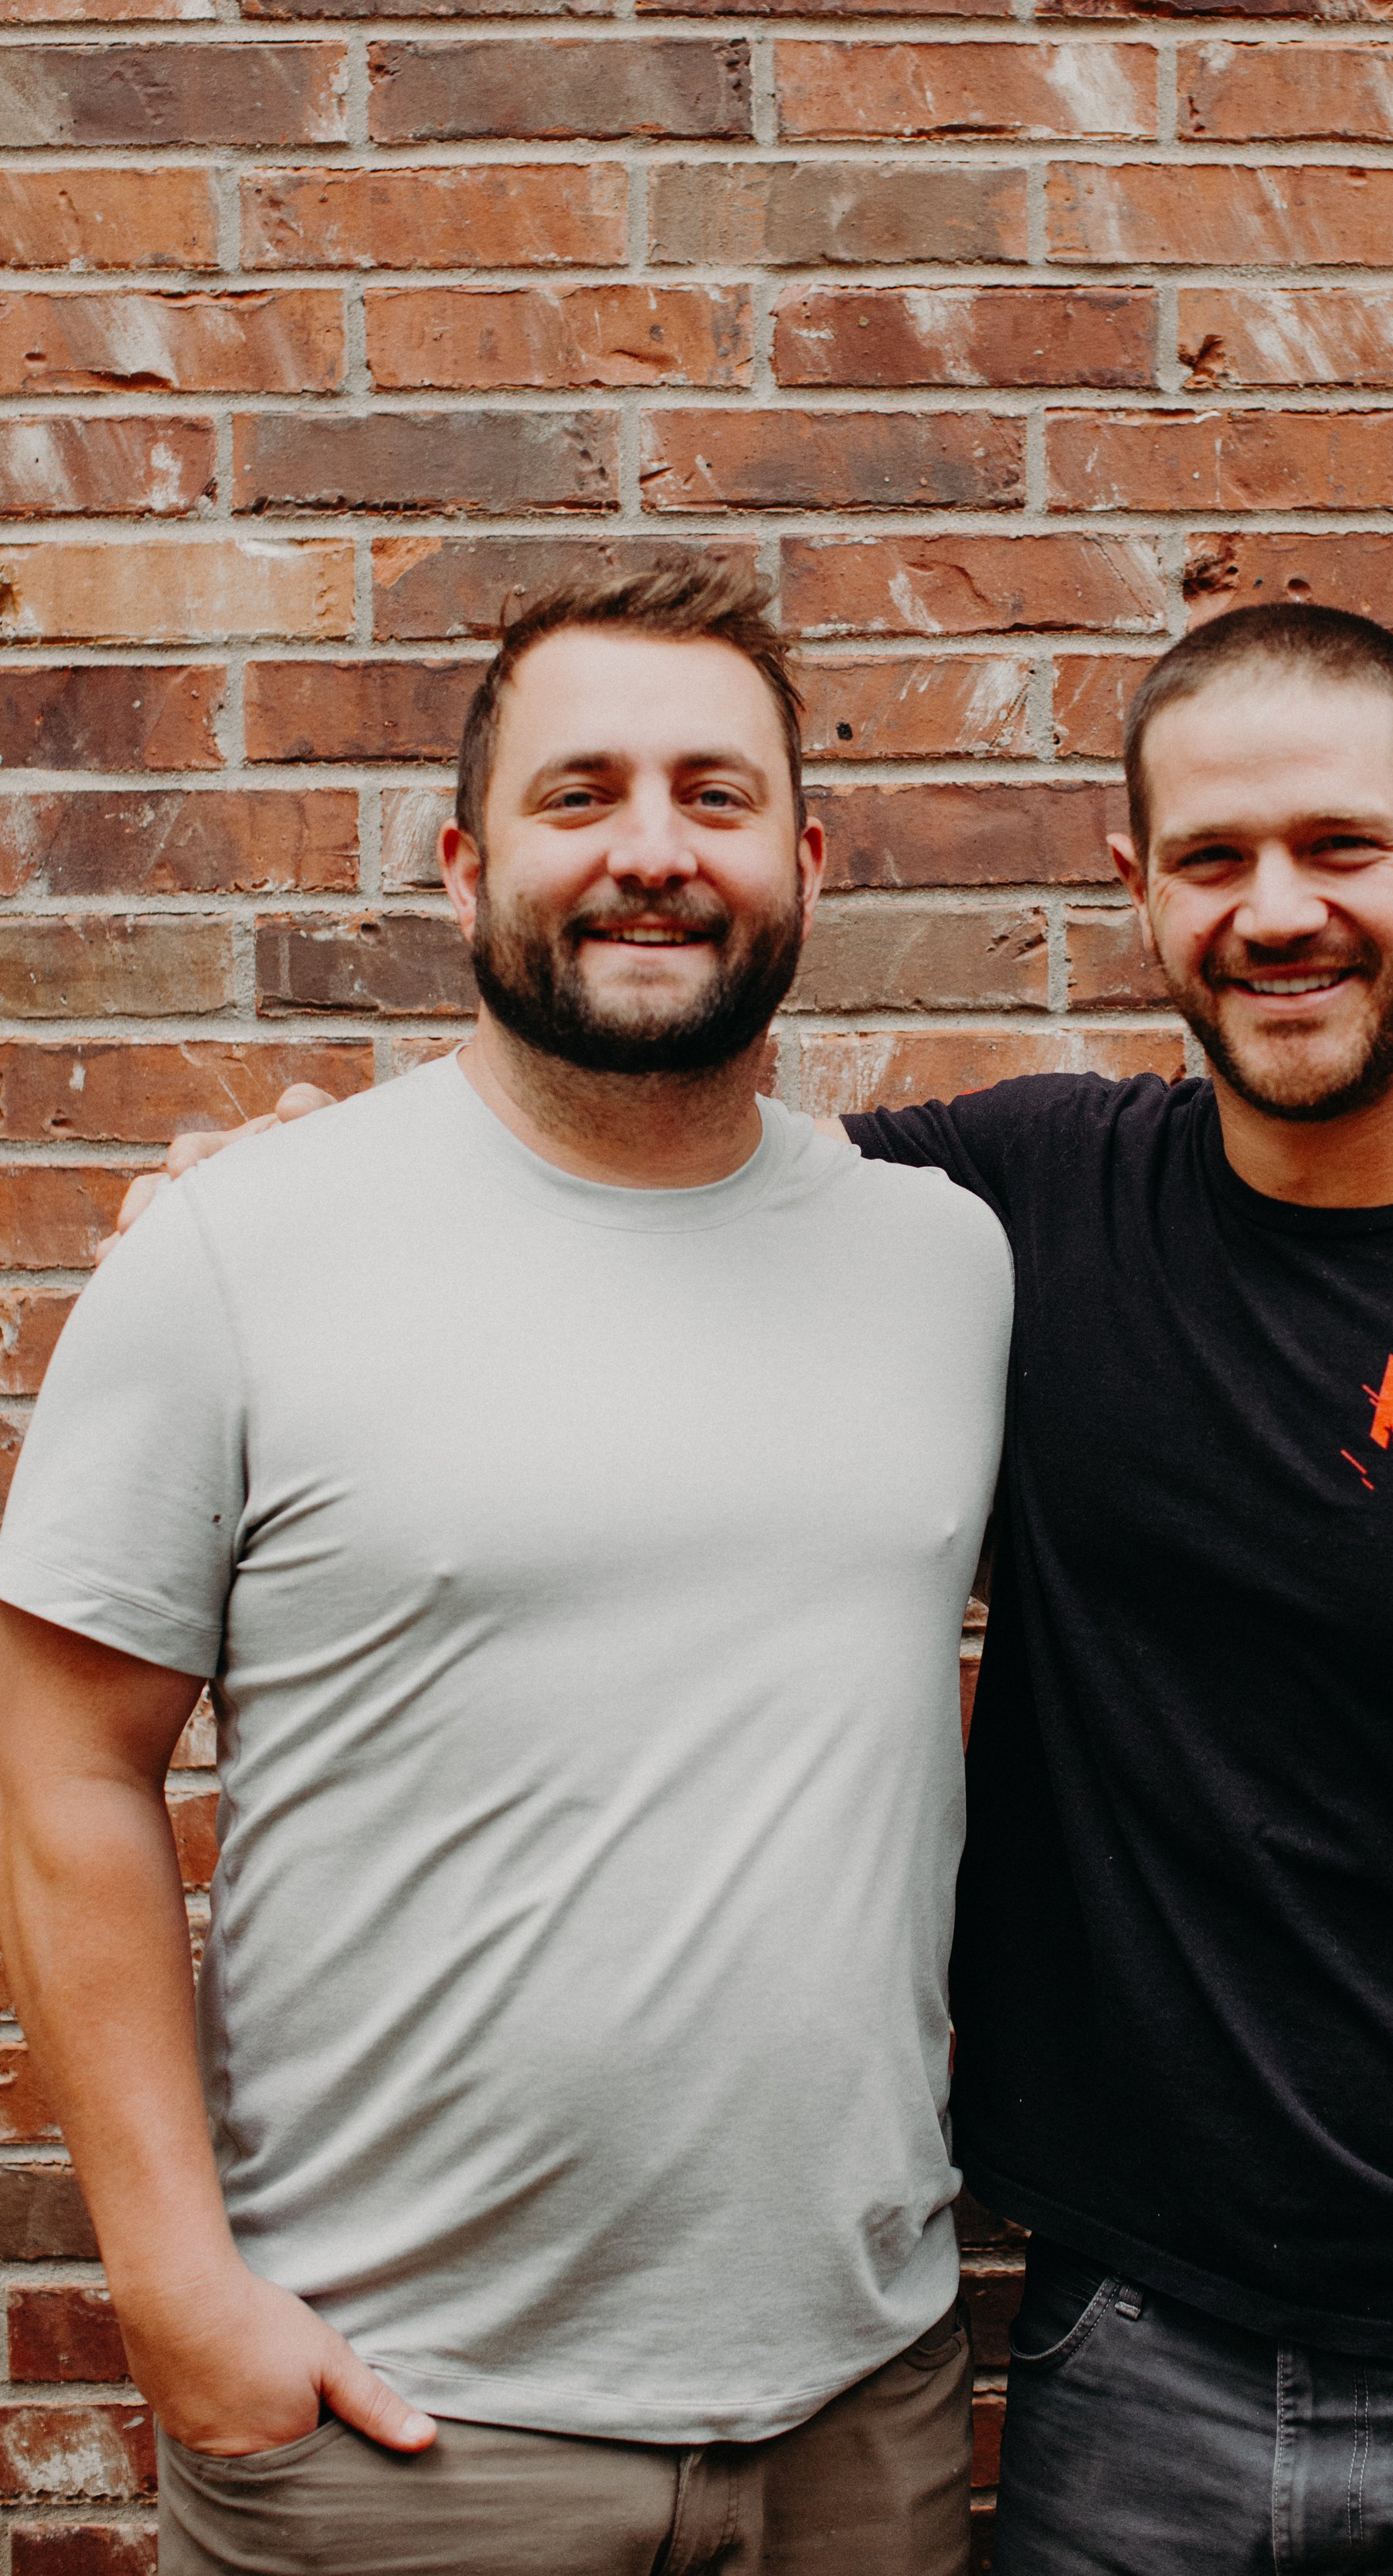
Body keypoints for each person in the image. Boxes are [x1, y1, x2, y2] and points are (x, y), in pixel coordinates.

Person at [109, 602, 1393, 2575]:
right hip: (1128, 2369)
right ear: (1135, 887)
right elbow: (643, 1156)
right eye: (1215, 860)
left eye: (1339, 847)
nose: (1279, 910)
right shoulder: (1022, 1205)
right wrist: (283, 1181)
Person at [0, 554, 1012, 2576]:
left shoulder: (948, 1263)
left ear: (804, 856)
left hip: (855, 2420)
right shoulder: (243, 1247)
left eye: (713, 796)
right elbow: (62, 1760)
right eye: (581, 795)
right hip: (399, 2433)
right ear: (465, 863)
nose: (652, 850)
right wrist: (177, 2290)